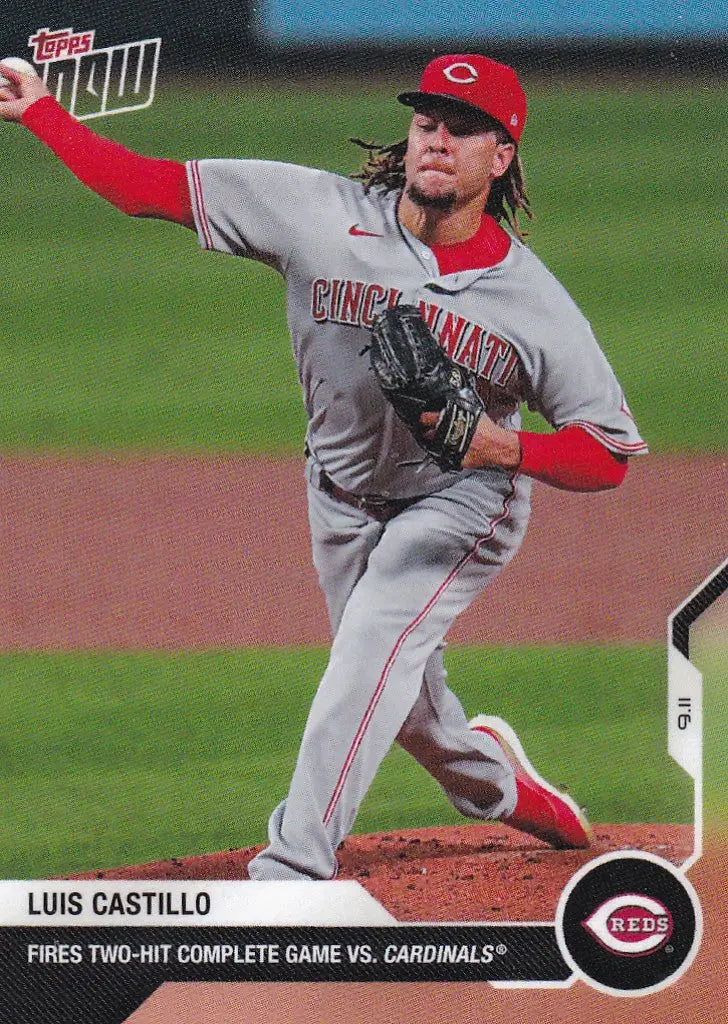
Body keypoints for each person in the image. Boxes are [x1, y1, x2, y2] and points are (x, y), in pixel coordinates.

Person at [1, 54, 647, 882]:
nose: (438, 140)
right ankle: (499, 784)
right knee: (405, 707)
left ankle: (292, 868)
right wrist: (45, 111)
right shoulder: (315, 211)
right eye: (426, 122)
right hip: (338, 498)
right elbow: (147, 188)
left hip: (461, 501)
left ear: (503, 155)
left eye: (463, 128)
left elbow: (609, 453)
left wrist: (498, 447)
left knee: (368, 655)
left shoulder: (533, 302)